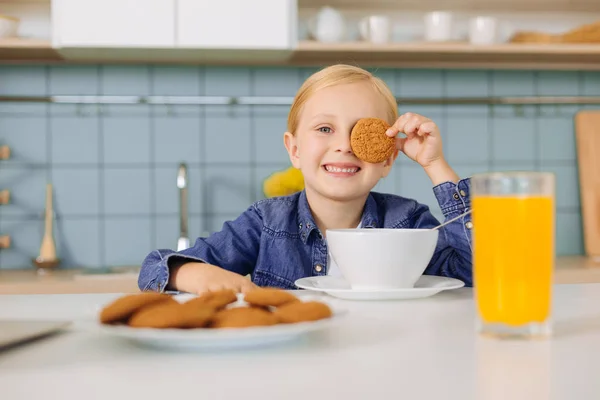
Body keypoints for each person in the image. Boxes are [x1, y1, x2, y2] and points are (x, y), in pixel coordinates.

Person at [138, 64, 473, 294]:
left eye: (359, 131)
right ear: (294, 149)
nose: (344, 145)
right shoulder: (265, 223)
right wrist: (192, 272)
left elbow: (478, 271)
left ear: (386, 157)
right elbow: (155, 267)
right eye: (325, 129)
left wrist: (435, 164)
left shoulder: (408, 222)